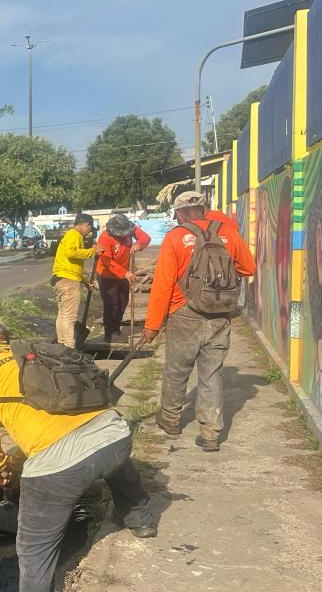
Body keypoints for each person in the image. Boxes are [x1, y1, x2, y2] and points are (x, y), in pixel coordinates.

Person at [0, 318, 156, 592]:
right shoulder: (32, 350)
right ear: (5, 338)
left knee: (34, 551)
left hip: (59, 468)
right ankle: (140, 517)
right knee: (113, 465)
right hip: (116, 436)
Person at [142, 191, 256, 452]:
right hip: (220, 316)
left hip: (184, 312)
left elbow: (163, 284)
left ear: (180, 214)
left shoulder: (176, 237)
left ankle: (170, 419)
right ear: (204, 209)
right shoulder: (227, 233)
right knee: (212, 373)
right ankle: (211, 433)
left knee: (177, 369)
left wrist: (152, 325)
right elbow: (249, 268)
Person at [96, 214, 151, 342]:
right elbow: (106, 261)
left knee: (123, 302)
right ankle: (110, 333)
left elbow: (145, 238)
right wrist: (124, 273)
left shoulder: (130, 228)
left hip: (124, 273)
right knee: (112, 304)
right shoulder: (105, 237)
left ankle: (116, 328)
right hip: (107, 275)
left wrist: (138, 244)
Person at [51, 213, 97, 347]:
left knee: (63, 315)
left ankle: (62, 345)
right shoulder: (74, 235)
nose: (89, 232)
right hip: (68, 282)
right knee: (70, 317)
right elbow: (72, 253)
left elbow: (72, 266)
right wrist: (92, 251)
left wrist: (85, 281)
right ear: (86, 225)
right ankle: (70, 347)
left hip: (61, 279)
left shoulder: (69, 235)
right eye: (89, 229)